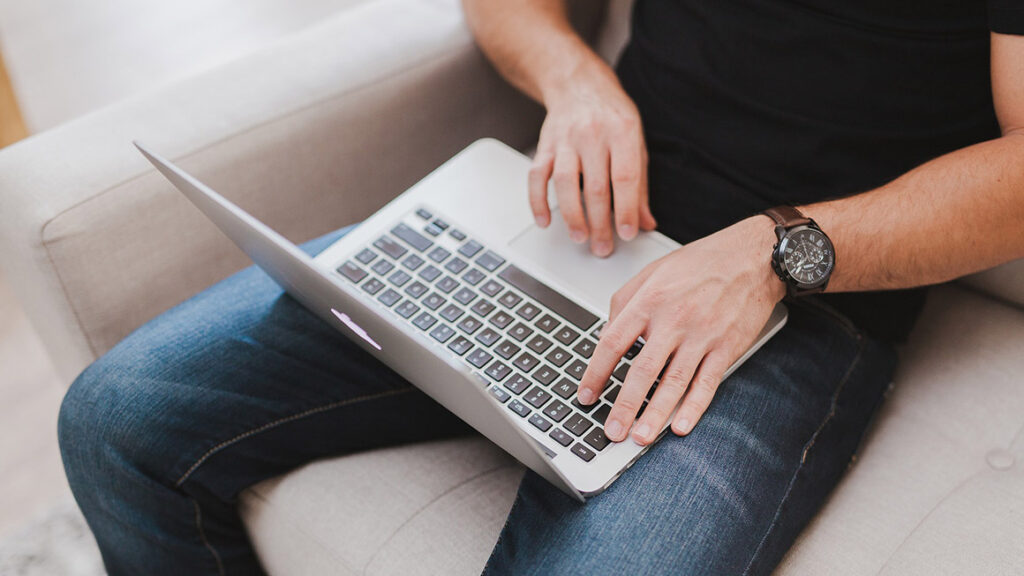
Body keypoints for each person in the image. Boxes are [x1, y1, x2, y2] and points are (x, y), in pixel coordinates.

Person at [58, 0, 1024, 574]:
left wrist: (774, 256)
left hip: (794, 300)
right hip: (574, 224)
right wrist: (577, 82)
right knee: (117, 416)